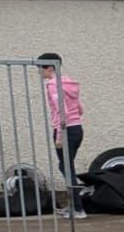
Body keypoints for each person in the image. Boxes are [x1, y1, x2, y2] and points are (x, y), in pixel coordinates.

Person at [35, 52, 86, 217]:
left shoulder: (53, 85)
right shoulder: (69, 83)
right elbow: (79, 109)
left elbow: (61, 110)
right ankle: (74, 205)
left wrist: (58, 136)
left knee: (66, 167)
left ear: (49, 67)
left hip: (65, 130)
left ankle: (78, 209)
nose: (39, 72)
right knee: (65, 166)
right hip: (77, 129)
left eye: (40, 68)